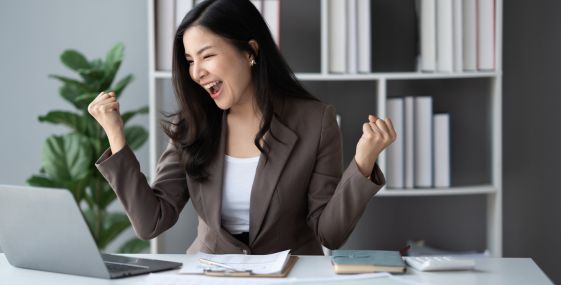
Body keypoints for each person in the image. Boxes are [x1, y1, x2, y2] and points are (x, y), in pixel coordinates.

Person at [89, 0, 396, 255]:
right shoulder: (192, 125)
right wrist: (115, 135)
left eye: (207, 55)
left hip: (289, 276)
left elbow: (329, 233)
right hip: (211, 277)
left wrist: (363, 164)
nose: (197, 72)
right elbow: (151, 222)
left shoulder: (315, 121)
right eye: (189, 60)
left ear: (249, 51)